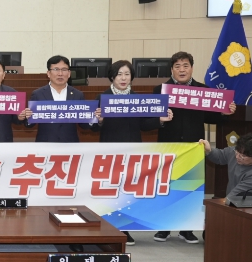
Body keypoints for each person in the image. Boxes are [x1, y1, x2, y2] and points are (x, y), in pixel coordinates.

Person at [152, 51, 237, 244]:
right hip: (169, 146)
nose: (182, 70)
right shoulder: (160, 90)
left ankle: (187, 229)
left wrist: (224, 113)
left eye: (185, 66)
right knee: (167, 187)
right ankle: (164, 228)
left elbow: (212, 117)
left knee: (191, 188)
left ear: (191, 68)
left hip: (194, 146)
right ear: (172, 69)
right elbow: (152, 118)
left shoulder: (203, 90)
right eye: (177, 66)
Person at [92, 60, 174, 246]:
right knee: (111, 191)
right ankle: (108, 229)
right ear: (112, 77)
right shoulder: (102, 97)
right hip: (110, 152)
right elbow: (94, 128)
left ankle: (124, 230)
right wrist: (99, 120)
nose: (123, 78)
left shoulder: (137, 98)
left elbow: (144, 125)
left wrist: (160, 120)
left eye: (127, 74)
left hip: (133, 152)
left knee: (127, 192)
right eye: (119, 74)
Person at [22, 55, 90, 142]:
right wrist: (28, 117)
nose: (60, 73)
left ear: (69, 73)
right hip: (46, 143)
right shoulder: (38, 94)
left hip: (70, 144)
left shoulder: (78, 95)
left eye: (64, 70)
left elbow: (84, 125)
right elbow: (29, 125)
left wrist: (93, 118)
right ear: (48, 73)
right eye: (56, 69)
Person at [200, 134, 252, 198]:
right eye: (237, 152)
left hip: (244, 201)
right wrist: (209, 150)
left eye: (243, 156)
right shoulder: (236, 150)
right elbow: (220, 156)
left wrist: (224, 202)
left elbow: (236, 194)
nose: (237, 157)